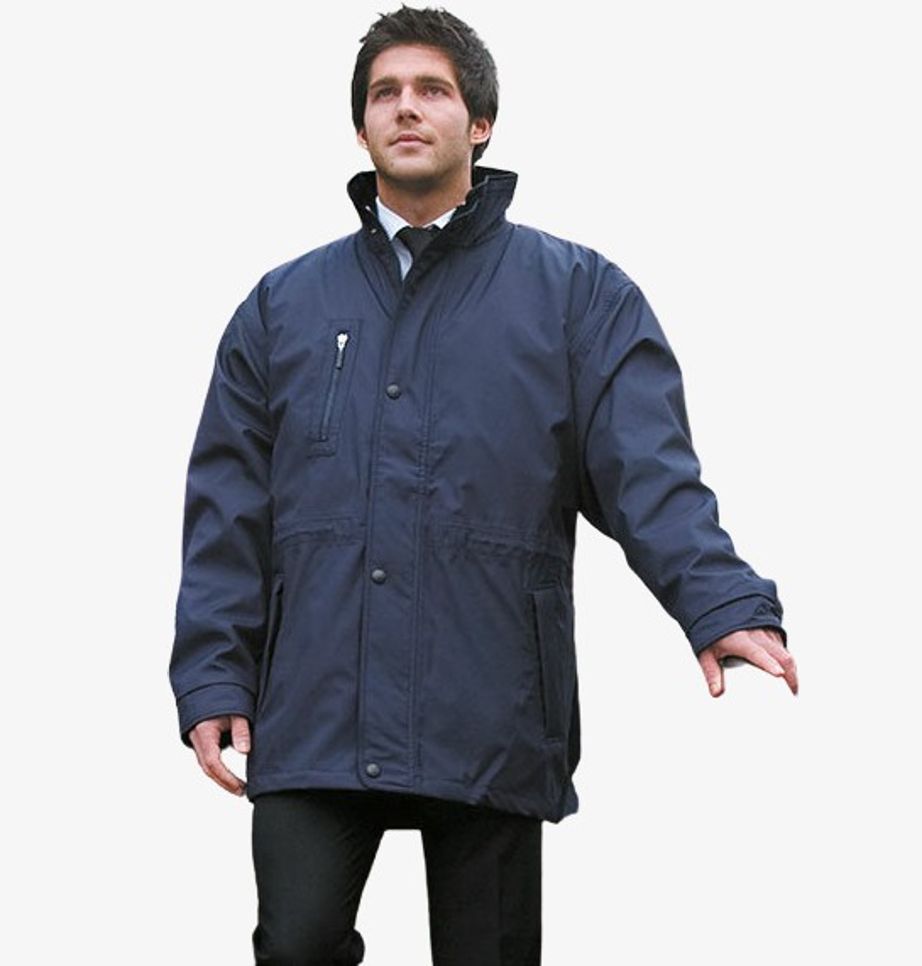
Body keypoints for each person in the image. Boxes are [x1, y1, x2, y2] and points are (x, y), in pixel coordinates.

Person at [169, 7, 798, 964]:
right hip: (313, 701)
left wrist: (717, 602)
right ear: (360, 127)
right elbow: (228, 509)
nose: (406, 107)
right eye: (384, 93)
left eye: (433, 90)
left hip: (490, 695)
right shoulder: (283, 307)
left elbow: (651, 473)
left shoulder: (575, 295)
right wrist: (216, 673)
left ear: (481, 122)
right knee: (294, 946)